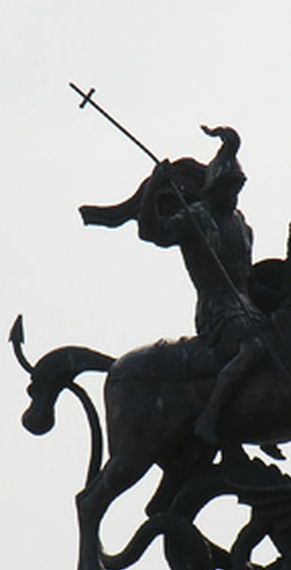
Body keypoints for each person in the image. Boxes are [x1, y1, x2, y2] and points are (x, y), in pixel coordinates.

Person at [91, 126, 267, 446]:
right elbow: (151, 233)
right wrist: (154, 189)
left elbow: (247, 274)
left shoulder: (241, 223)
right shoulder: (196, 216)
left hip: (246, 305)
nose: (233, 193)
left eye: (237, 186)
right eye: (228, 185)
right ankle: (210, 416)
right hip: (218, 309)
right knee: (254, 347)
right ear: (215, 185)